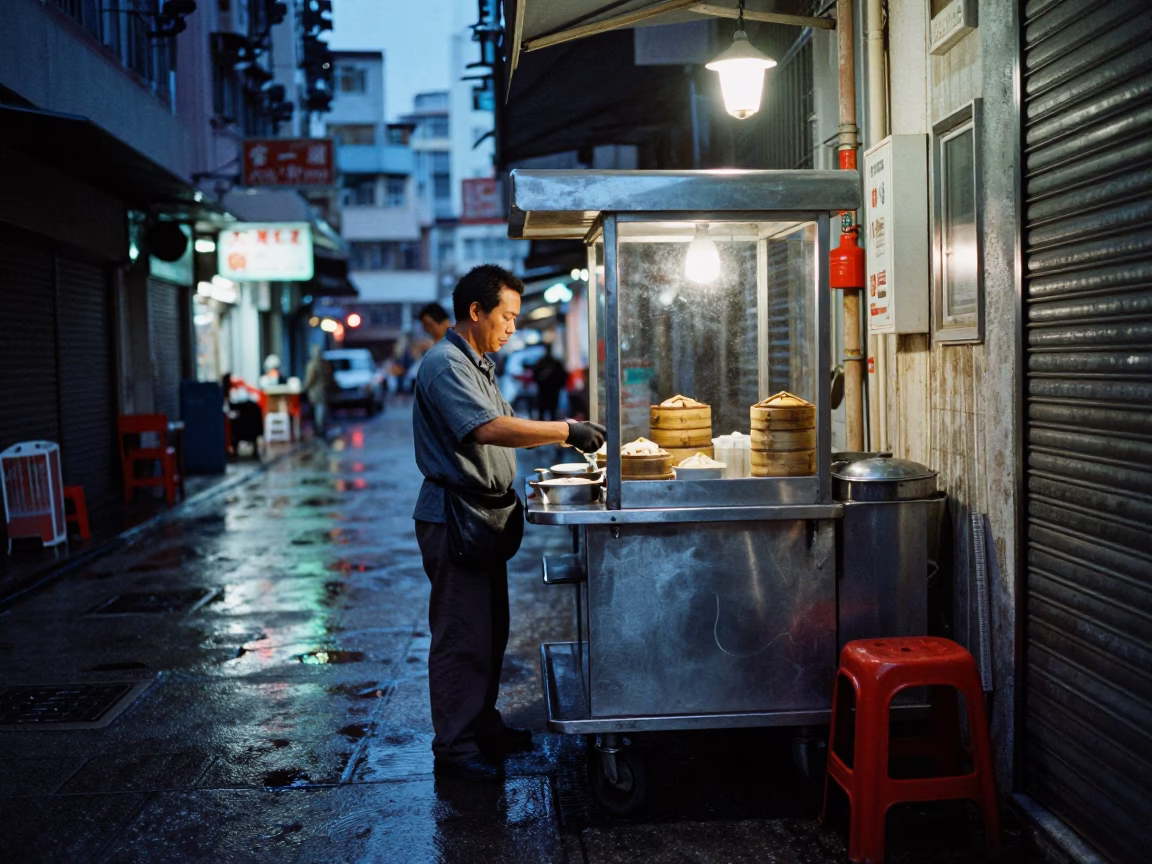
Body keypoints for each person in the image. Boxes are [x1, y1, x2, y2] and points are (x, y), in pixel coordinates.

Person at [412, 264, 605, 783]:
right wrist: (566, 430)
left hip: (483, 516)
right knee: (461, 634)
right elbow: (490, 428)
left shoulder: (477, 364)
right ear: (476, 311)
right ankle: (455, 747)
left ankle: (482, 725)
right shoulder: (446, 365)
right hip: (457, 518)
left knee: (489, 630)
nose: (512, 327)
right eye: (507, 316)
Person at [530, 345, 566, 421]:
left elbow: (562, 376)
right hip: (547, 390)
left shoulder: (544, 362)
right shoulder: (543, 362)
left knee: (550, 410)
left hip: (550, 390)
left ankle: (548, 425)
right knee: (546, 410)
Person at [302, 345, 331, 437]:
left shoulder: (313, 365)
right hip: (323, 391)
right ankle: (321, 428)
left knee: (318, 411)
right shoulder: (325, 364)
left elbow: (309, 379)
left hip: (316, 392)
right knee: (321, 410)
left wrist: (304, 388)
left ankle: (319, 429)